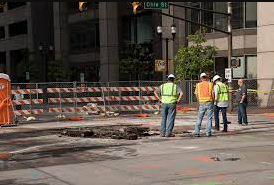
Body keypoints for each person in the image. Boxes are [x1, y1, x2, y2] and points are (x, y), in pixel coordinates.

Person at [194, 73, 214, 137]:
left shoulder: (198, 85)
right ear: (206, 77)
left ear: (201, 78)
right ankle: (208, 133)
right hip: (209, 102)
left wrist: (199, 100)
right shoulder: (210, 84)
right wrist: (213, 100)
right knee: (209, 118)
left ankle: (197, 132)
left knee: (199, 118)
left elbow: (196, 94)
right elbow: (213, 93)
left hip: (202, 103)